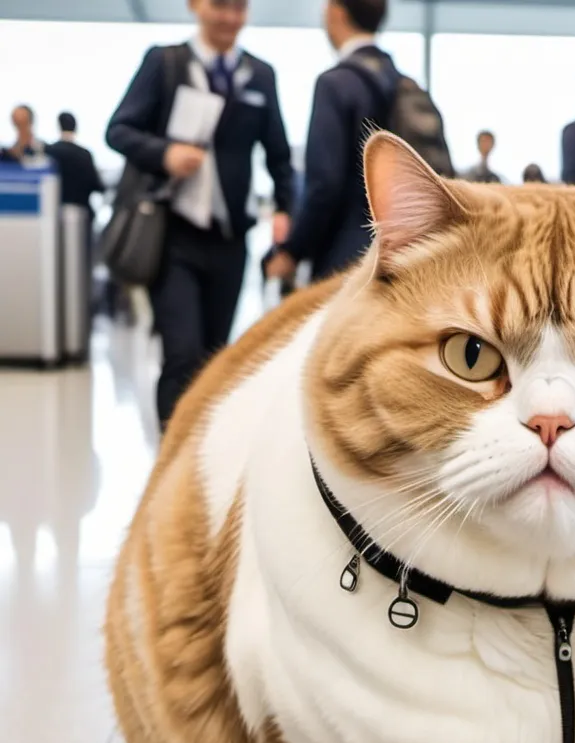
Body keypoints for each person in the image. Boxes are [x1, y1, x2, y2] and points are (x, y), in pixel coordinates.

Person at [107, 0, 294, 429]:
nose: (231, 18)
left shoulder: (259, 75)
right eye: (220, 6)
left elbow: (279, 155)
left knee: (214, 358)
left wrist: (285, 209)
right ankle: (169, 465)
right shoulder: (166, 63)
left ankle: (196, 465)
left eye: (241, 8)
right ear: (195, 5)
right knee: (182, 353)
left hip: (230, 241)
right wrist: (164, 152)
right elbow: (119, 129)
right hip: (173, 236)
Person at [265, 0, 394, 283]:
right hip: (396, 252)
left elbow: (324, 185)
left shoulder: (335, 84)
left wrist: (292, 251)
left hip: (344, 256)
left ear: (336, 13)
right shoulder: (400, 80)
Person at [45, 113, 105, 216]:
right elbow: (96, 184)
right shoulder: (85, 154)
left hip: (54, 212)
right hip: (82, 211)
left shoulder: (50, 151)